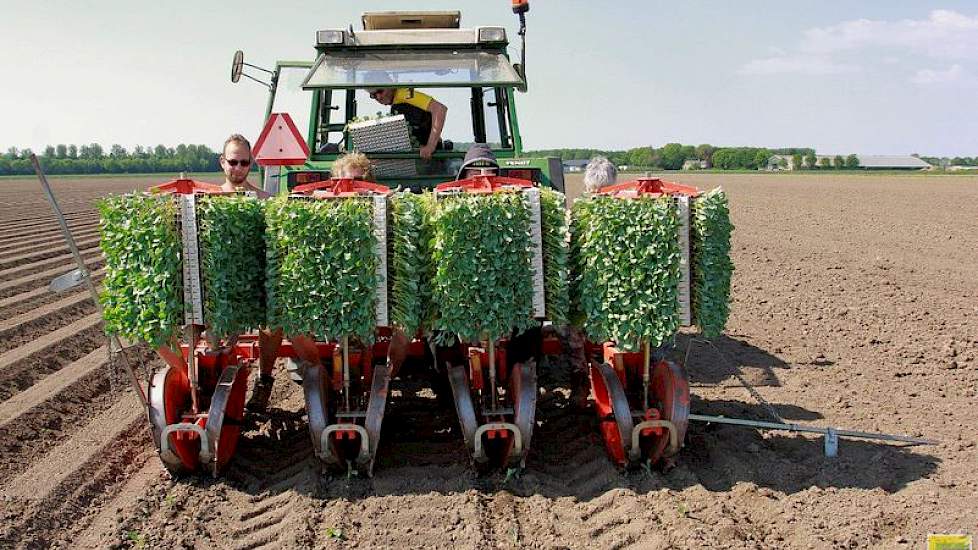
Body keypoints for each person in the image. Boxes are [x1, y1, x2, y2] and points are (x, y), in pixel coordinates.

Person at [368, 88, 447, 160]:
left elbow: (439, 109)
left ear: (390, 86)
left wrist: (430, 146)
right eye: (373, 95)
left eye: (381, 91)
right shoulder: (396, 104)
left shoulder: (405, 93)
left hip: (431, 155)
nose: (378, 97)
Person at [220, 134, 270, 198]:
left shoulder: (265, 199)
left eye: (244, 163)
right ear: (222, 162)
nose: (238, 168)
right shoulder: (210, 201)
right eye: (233, 162)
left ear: (251, 162)